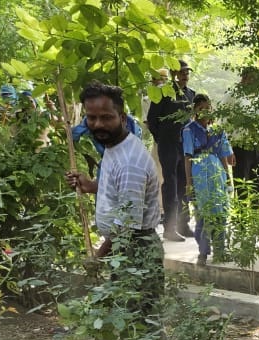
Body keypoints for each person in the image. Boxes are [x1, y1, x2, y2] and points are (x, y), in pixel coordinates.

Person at [66, 82, 164, 313]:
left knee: (140, 326)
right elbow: (118, 188)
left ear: (122, 117)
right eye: (91, 117)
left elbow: (126, 227)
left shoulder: (130, 162)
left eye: (106, 117)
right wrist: (91, 186)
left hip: (136, 250)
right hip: (124, 248)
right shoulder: (114, 146)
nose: (98, 124)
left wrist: (98, 257)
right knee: (124, 319)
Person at [146, 60, 196, 243]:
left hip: (186, 147)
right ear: (175, 73)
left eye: (187, 72)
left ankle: (184, 224)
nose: (185, 75)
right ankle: (170, 227)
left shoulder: (192, 95)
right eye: (182, 72)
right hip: (168, 145)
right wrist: (162, 138)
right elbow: (152, 120)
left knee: (185, 184)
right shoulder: (165, 93)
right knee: (171, 185)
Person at [182, 94, 235, 266]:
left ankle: (220, 250)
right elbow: (188, 157)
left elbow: (223, 156)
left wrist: (227, 179)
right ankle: (203, 252)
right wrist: (189, 183)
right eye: (201, 108)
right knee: (202, 213)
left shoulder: (218, 131)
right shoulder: (189, 130)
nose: (205, 112)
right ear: (195, 110)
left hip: (216, 173)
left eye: (207, 108)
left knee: (219, 212)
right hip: (199, 173)